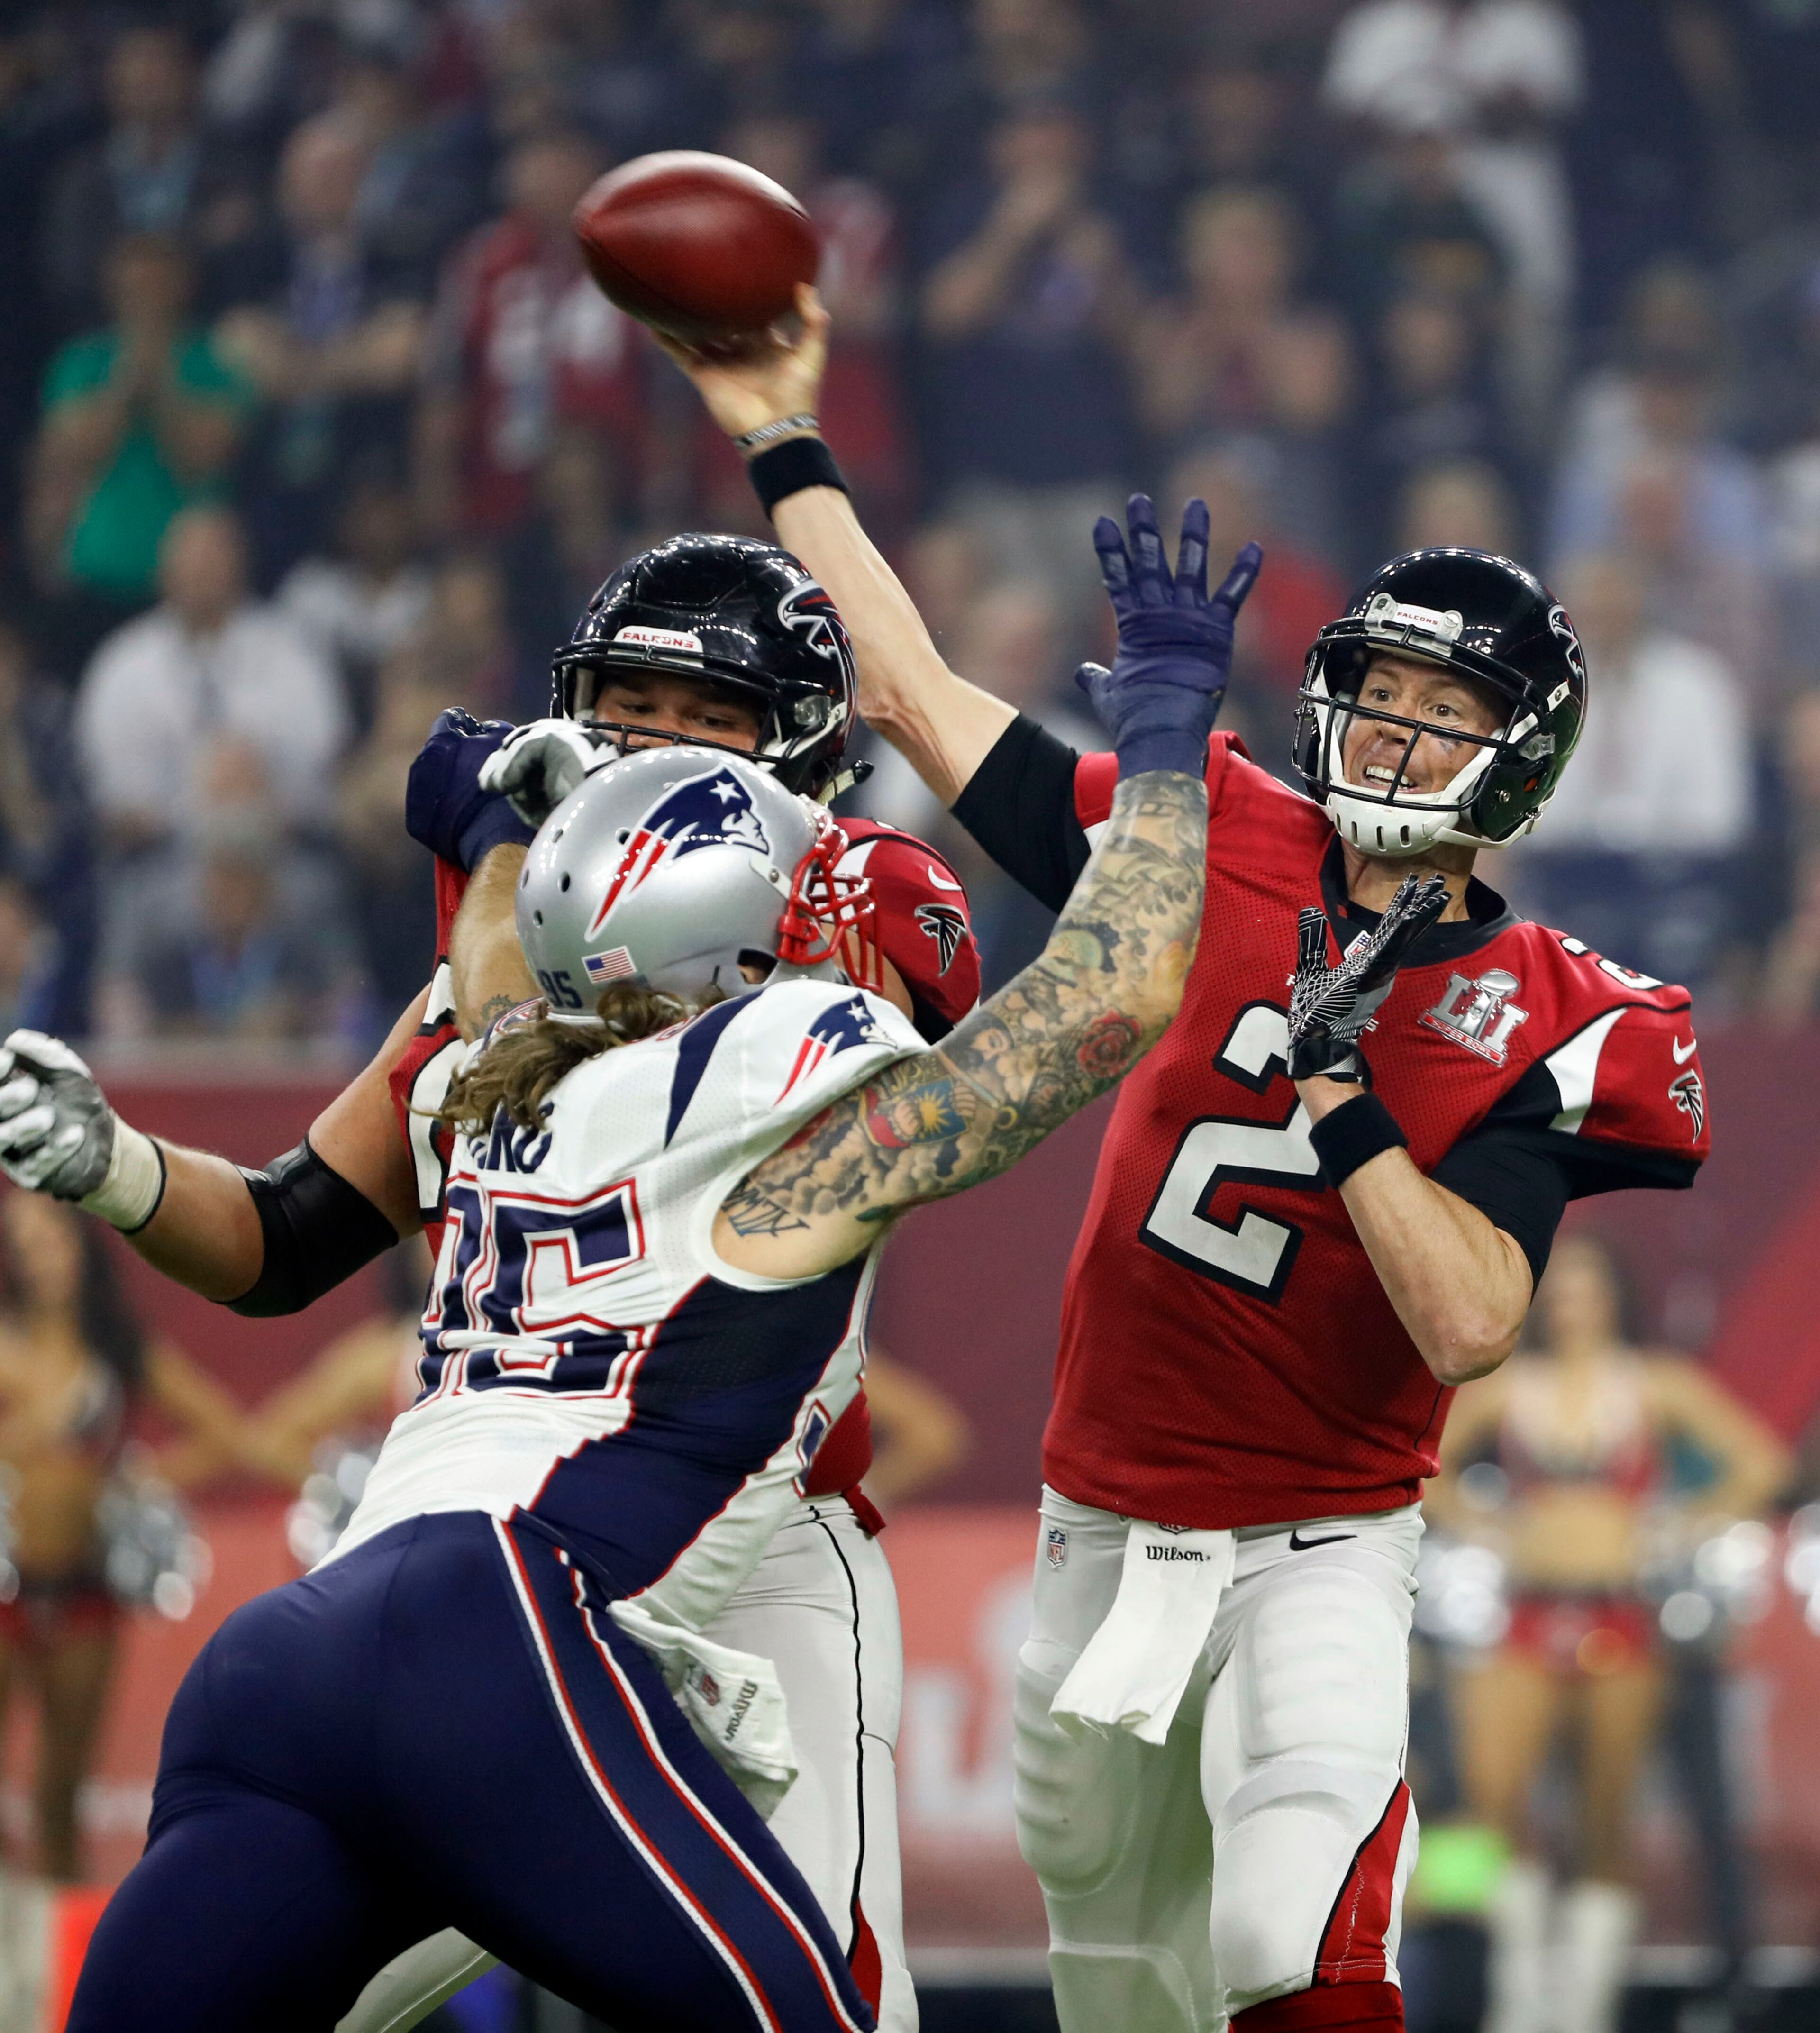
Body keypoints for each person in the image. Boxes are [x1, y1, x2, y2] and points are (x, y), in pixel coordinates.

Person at [0, 519, 1223, 2028]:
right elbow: (1104, 997)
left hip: (402, 1620)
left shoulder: (518, 1039)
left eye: (702, 729)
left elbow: (539, 1025)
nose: (648, 754)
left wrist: (504, 855)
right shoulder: (768, 1057)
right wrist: (1167, 747)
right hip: (529, 1596)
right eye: (628, 718)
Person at [660, 288, 1714, 2033]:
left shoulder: (1561, 1012)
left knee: (1291, 1946)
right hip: (1101, 1533)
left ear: (1519, 758)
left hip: (1324, 1540)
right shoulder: (1205, 827)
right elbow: (914, 697)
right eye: (1377, 693)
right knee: (1127, 1985)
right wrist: (786, 436)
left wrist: (1346, 1099)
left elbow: (1469, 1325)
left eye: (1445, 712)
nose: (1393, 734)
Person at [1430, 1233, 1787, 2033]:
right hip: (1524, 1613)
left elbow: (1759, 1461)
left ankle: (1581, 2011)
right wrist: (1481, 1522)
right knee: (1494, 1803)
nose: (1570, 1301)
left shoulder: (1653, 1384)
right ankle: (1516, 2003)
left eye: (1586, 1285)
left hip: (1621, 1617)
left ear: (1615, 1294)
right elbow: (1425, 1466)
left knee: (1603, 1818)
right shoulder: (1508, 1384)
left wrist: (1671, 1526)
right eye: (1557, 1287)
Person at [0, 1189, 245, 1881]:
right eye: (22, 1242)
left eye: (48, 1237)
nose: (37, 1254)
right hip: (6, 1585)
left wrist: (140, 1477)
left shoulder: (118, 1346)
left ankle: (66, 1962)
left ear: (80, 1241)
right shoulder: (5, 1341)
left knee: (59, 1798)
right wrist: (27, 1432)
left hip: (85, 1588)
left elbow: (220, 1427)